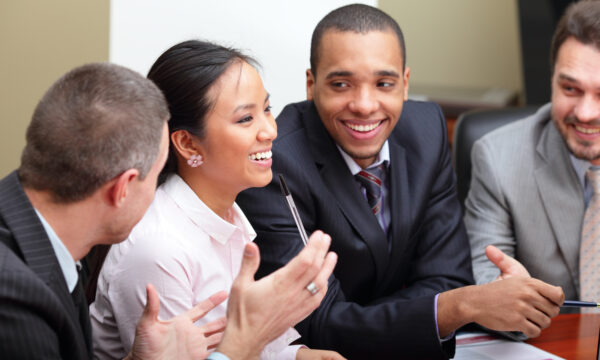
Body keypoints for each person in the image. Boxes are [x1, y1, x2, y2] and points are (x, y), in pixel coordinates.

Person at [237, 4, 565, 359]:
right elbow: (315, 324)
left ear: (405, 84)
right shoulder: (275, 164)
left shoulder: (426, 129)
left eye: (384, 83)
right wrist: (455, 307)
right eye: (341, 84)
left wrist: (364, 319)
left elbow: (448, 278)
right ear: (311, 85)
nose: (364, 105)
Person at [0, 62, 337, 360]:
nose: (271, 131)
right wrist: (245, 341)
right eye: (159, 172)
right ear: (122, 188)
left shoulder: (50, 254)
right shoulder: (16, 300)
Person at [89, 41, 342, 360]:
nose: (270, 130)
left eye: (266, 108)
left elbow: (252, 343)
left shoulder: (229, 216)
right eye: (245, 119)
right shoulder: (159, 250)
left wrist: (300, 356)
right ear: (188, 144)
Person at [465, 0, 600, 305]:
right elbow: (489, 283)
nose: (586, 113)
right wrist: (507, 299)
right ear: (552, 80)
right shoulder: (497, 159)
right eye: (570, 89)